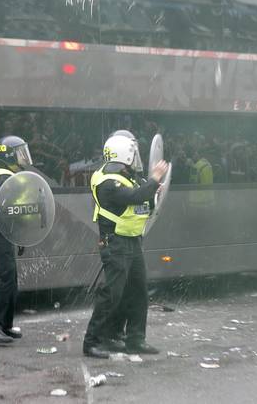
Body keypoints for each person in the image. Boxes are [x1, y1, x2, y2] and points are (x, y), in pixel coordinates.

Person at [83, 133, 168, 359]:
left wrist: (152, 189)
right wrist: (155, 179)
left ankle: (135, 339)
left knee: (138, 292)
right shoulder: (107, 181)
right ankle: (92, 341)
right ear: (123, 155)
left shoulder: (126, 175)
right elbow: (135, 196)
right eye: (133, 155)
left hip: (132, 241)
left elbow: (144, 196)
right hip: (115, 243)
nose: (136, 160)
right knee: (112, 294)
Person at [0, 135, 32, 344]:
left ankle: (6, 325)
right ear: (9, 154)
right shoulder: (1, 177)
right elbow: (6, 209)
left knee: (11, 280)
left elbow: (14, 210)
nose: (24, 156)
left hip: (4, 231)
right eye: (20, 152)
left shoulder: (9, 175)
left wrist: (18, 236)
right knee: (6, 280)